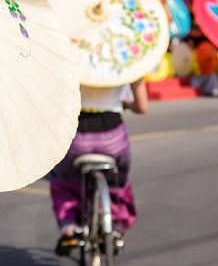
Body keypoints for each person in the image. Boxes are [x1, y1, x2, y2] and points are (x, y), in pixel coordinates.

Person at [49, 79, 148, 256]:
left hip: (75, 138)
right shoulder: (124, 61)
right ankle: (114, 225)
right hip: (112, 139)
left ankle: (69, 227)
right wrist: (125, 103)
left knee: (63, 179)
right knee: (118, 181)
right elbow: (142, 107)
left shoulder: (71, 57)